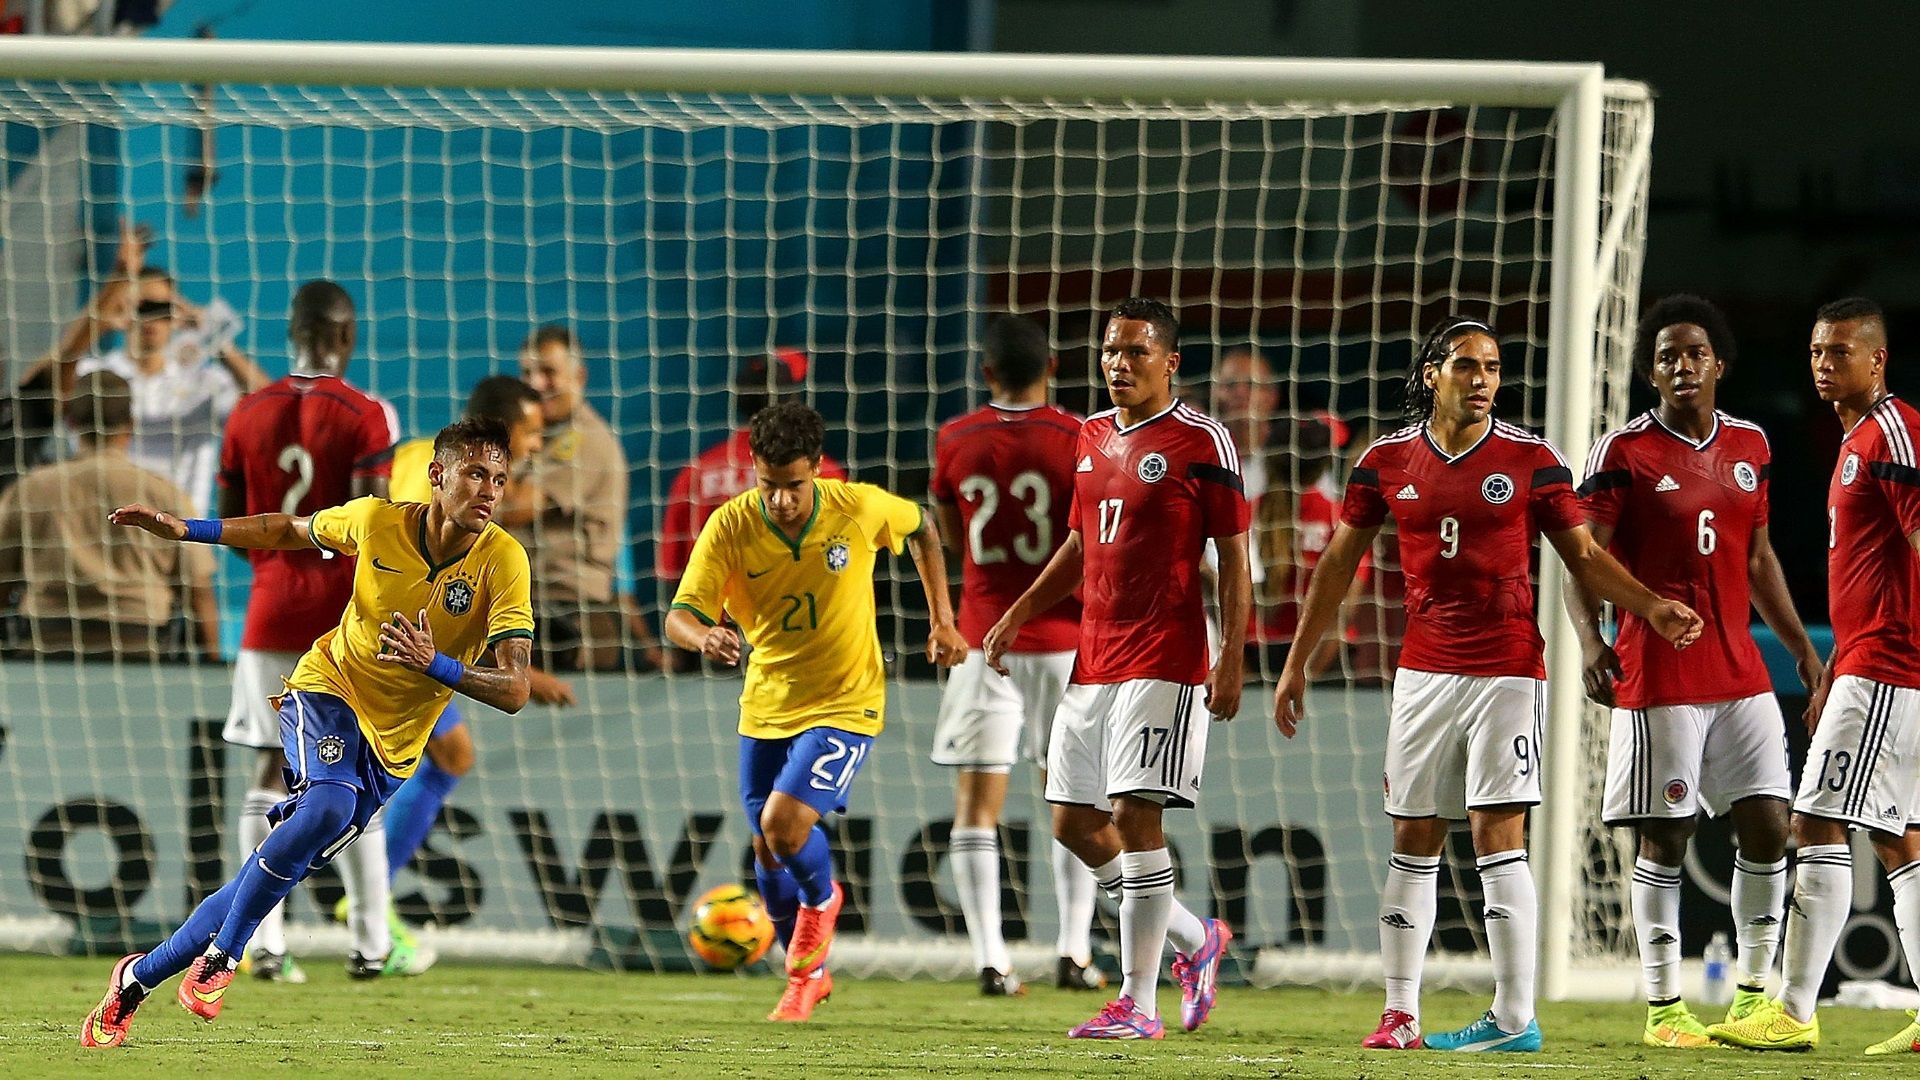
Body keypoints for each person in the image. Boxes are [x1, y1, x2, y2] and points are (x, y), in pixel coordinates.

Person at [1274, 315, 1703, 1054]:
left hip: (1507, 669)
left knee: (1497, 838)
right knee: (1412, 836)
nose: (1483, 381)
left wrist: (1649, 606)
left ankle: (1513, 1017)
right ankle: (1400, 1014)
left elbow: (1585, 558)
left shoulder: (1532, 460)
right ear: (1433, 374)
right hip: (1422, 675)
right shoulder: (1384, 463)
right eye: (1468, 367)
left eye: (1495, 368)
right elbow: (1337, 567)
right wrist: (1295, 664)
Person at [81, 416, 535, 1049]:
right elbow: (288, 529)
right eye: (474, 474)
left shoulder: (504, 562)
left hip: (394, 747)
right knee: (328, 803)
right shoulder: (377, 521)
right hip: (327, 688)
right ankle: (225, 958)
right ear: (437, 476)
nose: (488, 491)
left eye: (499, 479)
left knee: (271, 873)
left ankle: (137, 978)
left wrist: (437, 664)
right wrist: (191, 530)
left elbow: (516, 690)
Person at [984, 297, 1249, 1041]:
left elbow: (1234, 558)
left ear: (1171, 362)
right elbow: (1078, 545)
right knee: (1071, 820)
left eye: (1135, 351)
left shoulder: (1205, 442)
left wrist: (1232, 655)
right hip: (1092, 658)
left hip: (1165, 656)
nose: (1118, 364)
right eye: (1110, 351)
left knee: (1135, 816)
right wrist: (1018, 613)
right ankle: (1198, 942)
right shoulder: (1090, 435)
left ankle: (1137, 1003)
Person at [1565, 296, 1821, 1047]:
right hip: (1659, 673)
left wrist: (1801, 645)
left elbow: (1760, 556)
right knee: (1666, 836)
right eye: (1668, 355)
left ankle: (1750, 995)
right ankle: (1664, 1007)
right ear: (1652, 372)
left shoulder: (1752, 444)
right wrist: (1590, 641)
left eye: (1695, 353)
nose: (1683, 365)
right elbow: (1585, 557)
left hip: (1741, 670)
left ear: (1720, 364)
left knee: (1772, 826)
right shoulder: (1623, 452)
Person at [665, 400, 967, 1023]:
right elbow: (679, 617)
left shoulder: (854, 507)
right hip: (767, 702)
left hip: (846, 699)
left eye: (793, 486)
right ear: (754, 471)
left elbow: (923, 529)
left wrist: (942, 619)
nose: (780, 500)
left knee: (782, 826)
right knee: (767, 850)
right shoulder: (729, 526)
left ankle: (822, 903)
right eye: (768, 486)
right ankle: (810, 974)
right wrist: (706, 638)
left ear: (816, 472)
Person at [1709, 299, 1920, 1056]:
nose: (1824, 364)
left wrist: (1863, 665)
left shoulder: (1894, 431)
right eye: (1815, 352)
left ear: (1877, 359)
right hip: (1871, 661)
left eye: (1839, 351)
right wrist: (1834, 664)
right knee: (1901, 841)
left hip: (1890, 666)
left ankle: (1793, 1010)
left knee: (1817, 823)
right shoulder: (1856, 438)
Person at [214, 280, 414, 982]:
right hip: (343, 625)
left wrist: (275, 566)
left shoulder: (245, 410)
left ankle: (263, 947)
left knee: (269, 768)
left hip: (268, 615)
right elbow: (380, 527)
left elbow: (234, 521)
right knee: (359, 771)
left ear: (290, 333)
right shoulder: (367, 413)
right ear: (347, 337)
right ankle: (370, 945)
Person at [928, 314, 1101, 996]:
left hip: (982, 641)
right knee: (1076, 801)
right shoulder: (1079, 436)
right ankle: (1074, 952)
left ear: (986, 372)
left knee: (976, 808)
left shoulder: (954, 439)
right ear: (1052, 367)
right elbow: (1089, 533)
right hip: (1066, 642)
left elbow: (948, 533)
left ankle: (992, 962)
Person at [381, 376, 576, 894]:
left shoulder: (423, 460)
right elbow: (419, 581)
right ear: (506, 429)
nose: (537, 444)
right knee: (368, 777)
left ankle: (369, 903)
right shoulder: (441, 491)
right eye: (532, 433)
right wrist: (523, 674)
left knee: (448, 756)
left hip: (404, 637)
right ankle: (364, 905)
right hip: (387, 639)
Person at [0, 371, 217, 660]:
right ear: (131, 425)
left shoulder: (29, 491)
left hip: (47, 644)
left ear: (70, 421)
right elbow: (198, 591)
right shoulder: (164, 495)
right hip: (141, 646)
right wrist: (213, 662)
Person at [74, 265, 270, 516]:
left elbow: (268, 404)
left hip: (182, 533)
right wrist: (101, 321)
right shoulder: (93, 375)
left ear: (176, 314)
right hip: (107, 526)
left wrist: (215, 336)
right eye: (145, 306)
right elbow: (52, 379)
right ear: (124, 308)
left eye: (163, 309)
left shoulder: (205, 382)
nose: (152, 319)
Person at [511, 325, 629, 671]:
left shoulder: (585, 439)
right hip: (531, 606)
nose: (535, 384)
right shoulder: (539, 439)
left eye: (548, 372)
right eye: (527, 372)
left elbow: (516, 508)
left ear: (579, 375)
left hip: (575, 615)